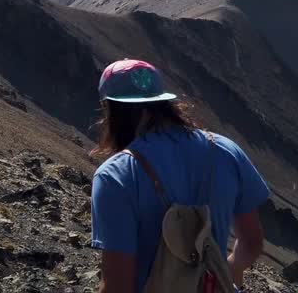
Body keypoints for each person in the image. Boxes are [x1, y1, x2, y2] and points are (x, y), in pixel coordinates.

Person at [90, 59, 269, 293]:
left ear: (111, 110)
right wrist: (227, 272)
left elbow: (117, 287)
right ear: (164, 102)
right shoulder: (226, 151)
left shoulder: (116, 175)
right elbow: (252, 242)